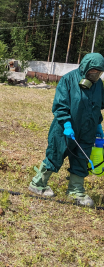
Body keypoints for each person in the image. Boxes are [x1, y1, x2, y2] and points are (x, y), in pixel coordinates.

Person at [28, 53, 104, 207]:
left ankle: (75, 190)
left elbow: (97, 107)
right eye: (93, 72)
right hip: (64, 129)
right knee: (56, 154)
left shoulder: (98, 85)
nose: (95, 76)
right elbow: (60, 105)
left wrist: (97, 125)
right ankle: (38, 184)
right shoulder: (68, 80)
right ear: (85, 68)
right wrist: (67, 124)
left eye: (99, 73)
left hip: (87, 130)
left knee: (82, 159)